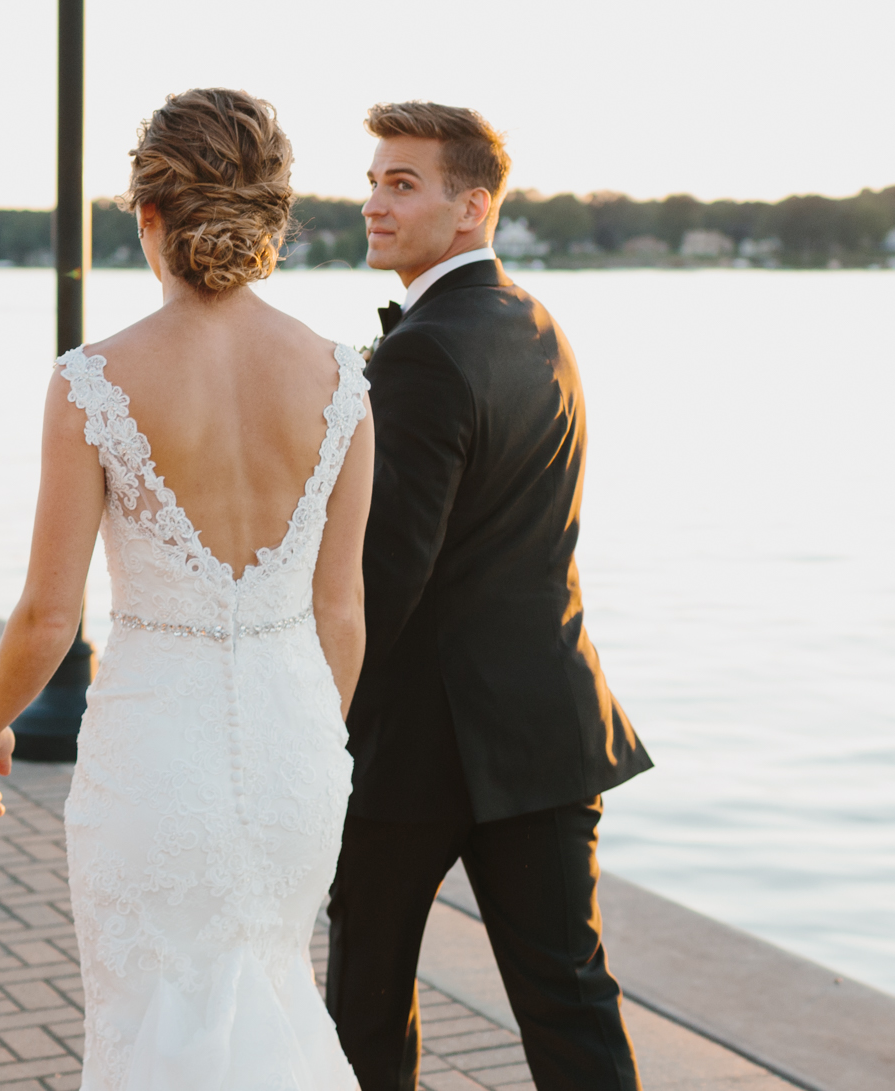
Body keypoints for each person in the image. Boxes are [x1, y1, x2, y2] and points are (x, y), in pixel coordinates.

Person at [0, 89, 375, 1091]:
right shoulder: (344, 377)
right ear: (273, 217)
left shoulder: (95, 378)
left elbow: (48, 612)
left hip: (156, 753)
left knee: (155, 1025)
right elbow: (341, 609)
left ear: (146, 213)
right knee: (273, 999)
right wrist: (319, 732)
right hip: (295, 752)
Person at [326, 102, 652, 1091]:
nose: (374, 202)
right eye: (374, 179)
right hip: (547, 726)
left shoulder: (424, 350)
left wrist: (311, 704)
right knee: (569, 1001)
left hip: (420, 743)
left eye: (402, 183)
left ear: (469, 208)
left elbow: (383, 571)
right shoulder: (534, 321)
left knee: (365, 1004)